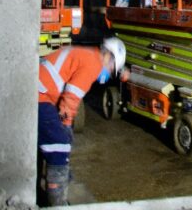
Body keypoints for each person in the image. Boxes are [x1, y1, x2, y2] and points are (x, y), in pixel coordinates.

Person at [38, 37, 126, 206]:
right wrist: (65, 124)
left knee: (47, 144)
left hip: (39, 90)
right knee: (59, 144)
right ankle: (57, 203)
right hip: (40, 95)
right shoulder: (92, 65)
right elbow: (71, 99)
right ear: (108, 56)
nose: (109, 73)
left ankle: (48, 188)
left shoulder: (87, 55)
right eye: (112, 68)